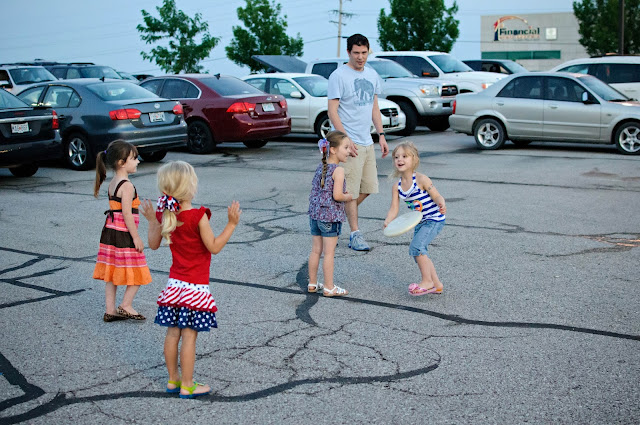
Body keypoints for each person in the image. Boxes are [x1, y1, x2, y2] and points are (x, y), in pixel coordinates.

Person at [141, 161, 241, 399]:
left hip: (174, 287)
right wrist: (231, 224)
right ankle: (187, 384)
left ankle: (173, 379)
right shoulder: (198, 216)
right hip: (195, 288)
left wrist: (152, 220)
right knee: (189, 336)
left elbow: (152, 245)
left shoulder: (165, 215)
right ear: (190, 188)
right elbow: (214, 247)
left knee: (172, 333)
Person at [327, 33, 389, 252]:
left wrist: (381, 134)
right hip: (348, 143)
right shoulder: (338, 76)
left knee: (369, 187)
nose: (360, 57)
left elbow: (374, 107)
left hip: (367, 140)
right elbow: (332, 111)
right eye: (356, 53)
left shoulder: (371, 74)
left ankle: (333, 212)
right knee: (351, 191)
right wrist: (345, 140)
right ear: (348, 52)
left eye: (364, 53)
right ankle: (355, 234)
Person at [93, 140, 152, 322]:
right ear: (121, 163)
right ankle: (126, 305)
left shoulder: (113, 182)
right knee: (138, 269)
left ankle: (110, 310)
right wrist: (136, 237)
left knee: (112, 271)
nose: (138, 161)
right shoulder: (127, 185)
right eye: (134, 158)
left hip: (110, 232)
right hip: (123, 234)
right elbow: (127, 213)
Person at [383, 142, 446, 296]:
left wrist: (441, 202)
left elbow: (436, 195)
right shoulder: (397, 186)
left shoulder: (421, 179)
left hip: (433, 219)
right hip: (420, 222)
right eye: (396, 157)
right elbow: (394, 208)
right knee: (420, 252)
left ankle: (427, 281)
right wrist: (388, 221)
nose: (400, 159)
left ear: (414, 159)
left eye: (404, 156)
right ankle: (436, 284)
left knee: (417, 248)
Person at [307, 131, 353, 297]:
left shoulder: (321, 167)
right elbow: (337, 196)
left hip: (315, 215)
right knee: (329, 253)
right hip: (330, 217)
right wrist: (348, 196)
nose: (349, 151)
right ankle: (329, 287)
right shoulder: (338, 170)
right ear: (333, 149)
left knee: (315, 250)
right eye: (346, 147)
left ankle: (312, 283)